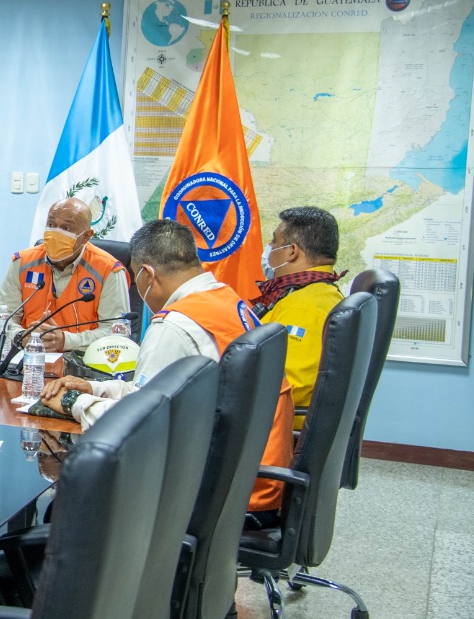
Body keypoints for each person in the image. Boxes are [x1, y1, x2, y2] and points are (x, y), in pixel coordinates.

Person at [40, 218, 294, 519]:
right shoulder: (229, 302)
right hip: (256, 477)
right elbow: (162, 396)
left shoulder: (175, 326)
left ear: (147, 274)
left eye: (135, 278)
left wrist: (74, 402)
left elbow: (142, 426)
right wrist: (96, 388)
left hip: (216, 497)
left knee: (64, 505)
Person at [0, 197, 130, 354]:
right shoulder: (23, 263)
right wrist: (22, 336)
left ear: (86, 236)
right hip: (28, 358)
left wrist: (65, 340)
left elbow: (117, 334)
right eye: (51, 225)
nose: (56, 233)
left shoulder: (108, 270)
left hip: (82, 363)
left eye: (66, 228)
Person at [253, 206, 346, 429]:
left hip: (277, 431)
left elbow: (289, 387)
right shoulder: (320, 291)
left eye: (274, 242)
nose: (269, 249)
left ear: (292, 251)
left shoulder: (303, 308)